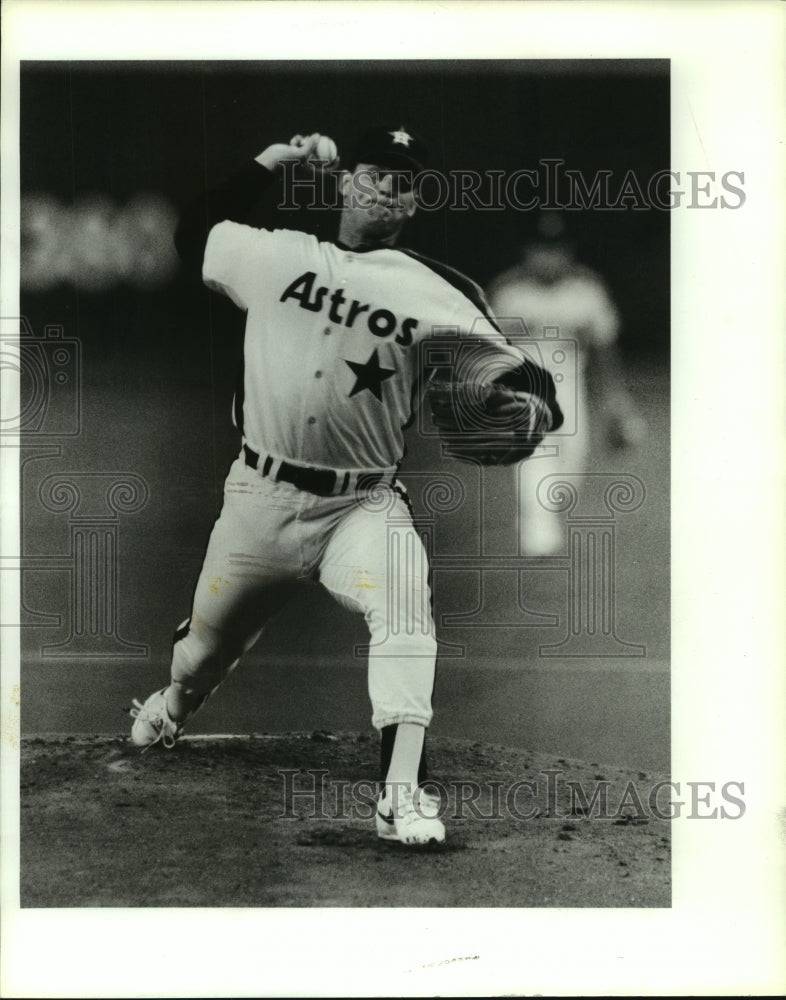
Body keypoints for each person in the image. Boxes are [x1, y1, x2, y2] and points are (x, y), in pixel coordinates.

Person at [129, 125, 563, 846]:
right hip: (258, 502)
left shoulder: (438, 290)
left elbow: (524, 374)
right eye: (376, 172)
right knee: (205, 650)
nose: (388, 188)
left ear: (415, 202)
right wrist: (272, 159)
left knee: (404, 603)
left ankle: (400, 794)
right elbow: (191, 231)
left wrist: (529, 405)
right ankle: (173, 704)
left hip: (360, 504)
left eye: (405, 180)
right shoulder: (275, 255)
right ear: (341, 183)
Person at [487, 213, 646, 556]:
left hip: (570, 389)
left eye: (556, 249)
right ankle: (538, 531)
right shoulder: (509, 292)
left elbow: (605, 349)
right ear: (527, 252)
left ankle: (538, 514)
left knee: (570, 472)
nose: (548, 257)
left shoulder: (586, 290)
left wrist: (616, 400)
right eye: (540, 249)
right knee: (533, 456)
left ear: (568, 252)